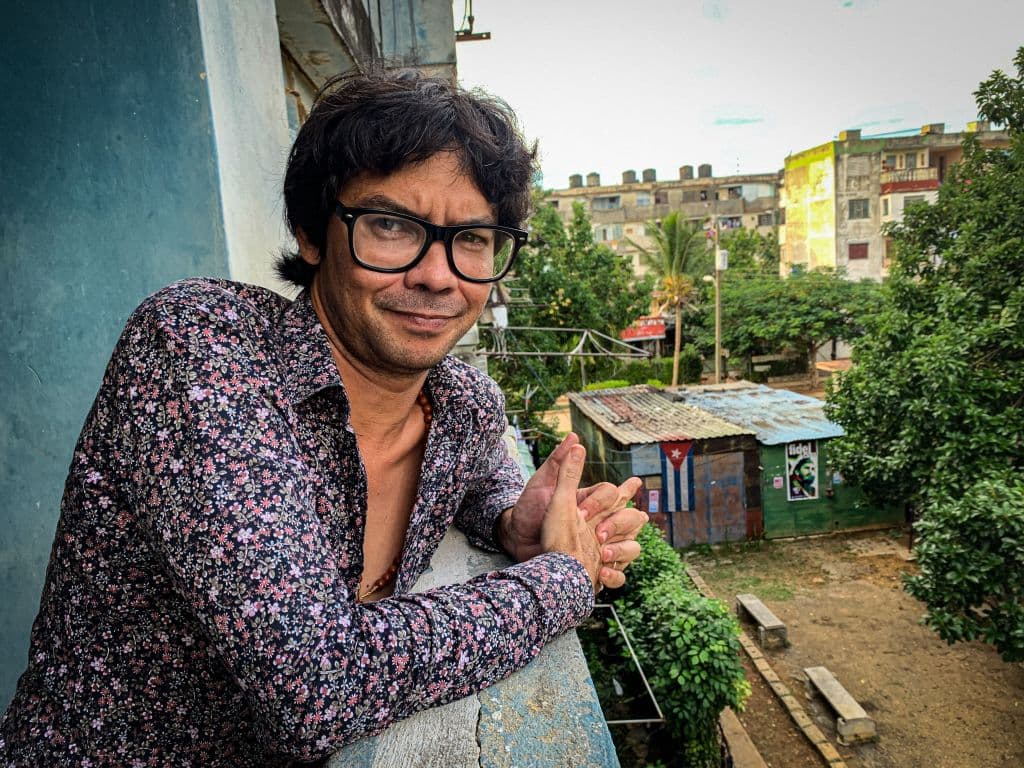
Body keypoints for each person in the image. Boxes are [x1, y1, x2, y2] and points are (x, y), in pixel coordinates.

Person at [0, 70, 645, 766]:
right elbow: (315, 683)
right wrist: (562, 579)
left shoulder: (462, 404)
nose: (438, 276)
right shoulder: (201, 350)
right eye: (393, 226)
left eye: (474, 239)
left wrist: (507, 521)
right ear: (312, 233)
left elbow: (474, 479)